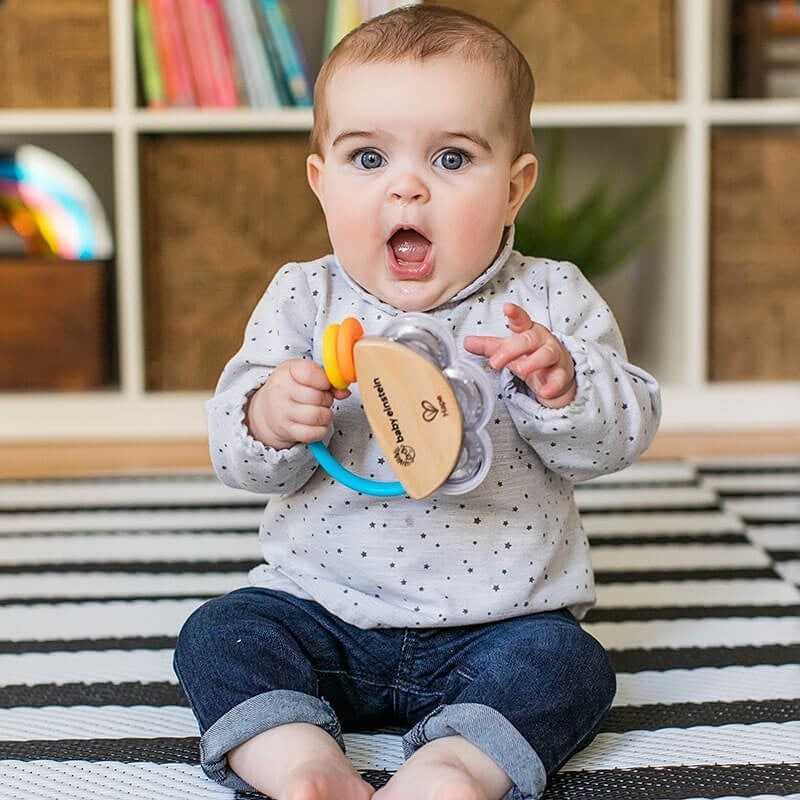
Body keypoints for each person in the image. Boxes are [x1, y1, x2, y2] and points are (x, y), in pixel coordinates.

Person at [173, 5, 661, 800]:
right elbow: (236, 456)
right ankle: (300, 759)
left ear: (514, 187)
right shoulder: (305, 299)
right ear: (320, 182)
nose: (406, 186)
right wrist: (270, 415)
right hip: (322, 610)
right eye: (368, 157)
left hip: (502, 622)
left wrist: (561, 385)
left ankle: (454, 767)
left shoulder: (544, 302)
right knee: (220, 635)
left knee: (570, 667)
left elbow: (620, 434)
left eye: (451, 157)